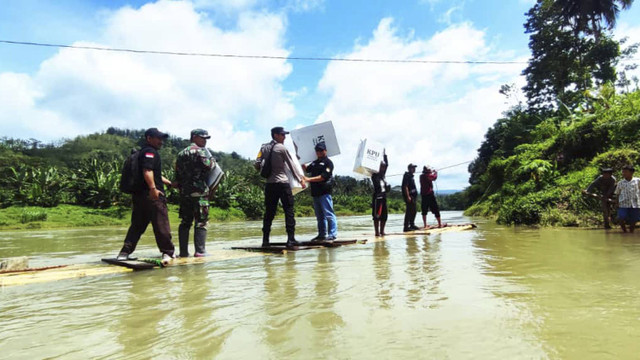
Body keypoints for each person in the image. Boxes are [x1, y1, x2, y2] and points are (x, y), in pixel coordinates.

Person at [117, 128, 176, 262]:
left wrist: (169, 183)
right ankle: (168, 252)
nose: (161, 141)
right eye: (158, 138)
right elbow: (147, 171)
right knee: (161, 224)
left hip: (139, 196)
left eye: (162, 139)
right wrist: (153, 189)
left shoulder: (139, 153)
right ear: (149, 138)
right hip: (153, 196)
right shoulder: (150, 152)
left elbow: (154, 173)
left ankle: (124, 253)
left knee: (137, 226)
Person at [255, 127, 306, 248]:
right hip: (282, 183)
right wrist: (300, 179)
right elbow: (291, 165)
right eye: (283, 135)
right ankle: (291, 240)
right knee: (288, 210)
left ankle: (265, 241)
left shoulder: (263, 147)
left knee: (269, 212)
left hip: (270, 184)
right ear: (276, 135)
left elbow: (256, 164)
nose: (285, 137)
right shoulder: (282, 148)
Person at [175, 129, 216, 257]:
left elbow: (177, 175)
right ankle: (200, 251)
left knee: (185, 222)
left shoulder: (181, 154)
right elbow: (209, 166)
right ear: (194, 137)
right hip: (200, 192)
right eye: (203, 138)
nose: (205, 141)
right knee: (201, 221)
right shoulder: (201, 151)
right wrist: (213, 159)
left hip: (185, 193)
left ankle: (183, 252)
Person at [303, 142, 338, 242]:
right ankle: (321, 235)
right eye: (317, 150)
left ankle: (332, 234)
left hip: (324, 192)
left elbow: (323, 177)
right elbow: (307, 169)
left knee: (329, 214)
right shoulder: (314, 163)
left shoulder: (328, 163)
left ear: (325, 151)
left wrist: (308, 179)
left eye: (321, 150)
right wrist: (301, 161)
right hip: (315, 193)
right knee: (319, 216)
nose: (319, 152)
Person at [613, 165, 640, 233]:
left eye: (625, 172)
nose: (623, 173)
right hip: (623, 203)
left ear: (631, 172)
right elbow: (617, 193)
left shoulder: (637, 180)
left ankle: (631, 232)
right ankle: (624, 231)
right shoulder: (620, 183)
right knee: (621, 217)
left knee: (633, 219)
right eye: (623, 172)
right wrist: (617, 202)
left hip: (635, 203)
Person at [372, 152, 390, 236]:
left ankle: (382, 231)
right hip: (377, 198)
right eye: (381, 166)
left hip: (383, 197)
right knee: (377, 215)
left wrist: (384, 155)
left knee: (384, 215)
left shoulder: (383, 176)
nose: (383, 168)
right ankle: (377, 232)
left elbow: (387, 165)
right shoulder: (374, 175)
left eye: (383, 167)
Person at [402, 163, 419, 232]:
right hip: (409, 196)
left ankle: (412, 224)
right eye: (413, 168)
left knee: (414, 211)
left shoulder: (411, 176)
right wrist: (408, 196)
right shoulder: (407, 176)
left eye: (414, 168)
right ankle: (406, 227)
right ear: (409, 168)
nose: (414, 169)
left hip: (413, 196)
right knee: (409, 211)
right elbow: (405, 186)